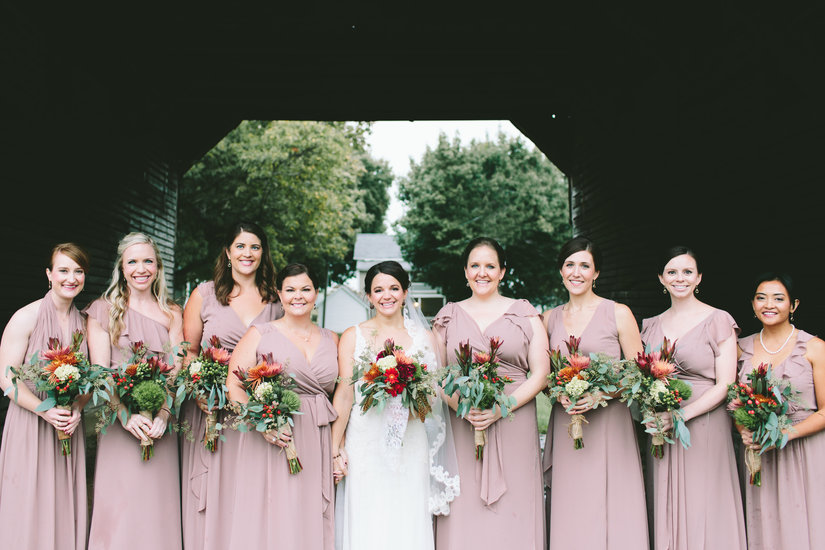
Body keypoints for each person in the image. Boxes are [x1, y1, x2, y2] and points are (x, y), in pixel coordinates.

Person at [330, 260, 459, 550]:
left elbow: (433, 397)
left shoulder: (425, 339)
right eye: (378, 290)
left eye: (393, 288)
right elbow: (344, 394)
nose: (386, 295)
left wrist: (412, 398)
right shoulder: (353, 336)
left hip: (409, 441)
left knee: (405, 515)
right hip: (364, 441)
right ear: (368, 296)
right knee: (367, 516)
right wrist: (334, 447)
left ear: (405, 293)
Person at [433, 237, 550, 550]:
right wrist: (462, 406)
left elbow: (541, 373)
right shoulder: (448, 316)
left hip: (513, 419)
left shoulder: (525, 314)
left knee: (515, 503)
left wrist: (502, 408)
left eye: (490, 266)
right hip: (463, 421)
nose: (481, 272)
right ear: (465, 272)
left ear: (502, 272)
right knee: (463, 505)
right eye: (475, 265)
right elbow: (436, 373)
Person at [218, 263, 338, 549]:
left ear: (316, 293)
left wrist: (337, 447)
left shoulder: (332, 338)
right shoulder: (260, 333)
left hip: (316, 436)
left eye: (305, 289)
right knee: (271, 513)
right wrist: (264, 425)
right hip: (272, 437)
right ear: (279, 295)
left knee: (307, 514)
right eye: (291, 290)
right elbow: (234, 386)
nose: (298, 296)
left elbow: (343, 393)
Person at [180, 221, 283, 549]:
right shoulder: (204, 294)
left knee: (252, 490)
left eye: (254, 247)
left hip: (256, 412)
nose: (247, 253)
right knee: (214, 490)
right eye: (240, 246)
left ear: (263, 253)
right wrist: (198, 390)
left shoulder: (277, 299)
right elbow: (190, 351)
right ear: (227, 252)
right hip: (211, 409)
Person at [541, 236, 648, 549]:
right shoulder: (548, 319)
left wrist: (603, 395)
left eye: (584, 265)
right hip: (567, 423)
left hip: (610, 424)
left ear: (596, 273)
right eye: (570, 265)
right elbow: (544, 374)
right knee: (573, 501)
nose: (576, 272)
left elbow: (638, 372)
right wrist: (556, 392)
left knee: (611, 501)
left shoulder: (618, 313)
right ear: (561, 271)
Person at [640, 245, 745, 550]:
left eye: (687, 272)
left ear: (699, 278)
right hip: (661, 422)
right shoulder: (649, 326)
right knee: (665, 495)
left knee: (705, 498)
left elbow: (726, 383)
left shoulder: (719, 320)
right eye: (672, 272)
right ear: (661, 278)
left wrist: (681, 416)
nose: (680, 278)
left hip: (705, 422)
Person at [85, 232, 184, 550]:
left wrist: (165, 413)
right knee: (121, 509)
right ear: (121, 267)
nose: (140, 269)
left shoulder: (172, 313)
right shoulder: (102, 310)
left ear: (157, 267)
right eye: (132, 262)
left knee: (157, 509)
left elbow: (176, 372)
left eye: (147, 261)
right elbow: (101, 374)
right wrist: (125, 415)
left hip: (160, 427)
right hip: (120, 425)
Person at [0, 243, 91, 550]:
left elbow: (89, 380)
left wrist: (77, 408)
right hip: (31, 423)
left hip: (66, 427)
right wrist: (45, 410)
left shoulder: (86, 325)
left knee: (63, 503)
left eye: (78, 271)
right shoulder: (25, 317)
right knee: (26, 503)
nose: (71, 278)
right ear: (49, 274)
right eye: (63, 270)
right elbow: (6, 379)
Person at [735, 272, 825, 549]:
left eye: (778, 298)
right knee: (765, 522)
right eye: (761, 298)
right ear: (752, 304)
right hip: (758, 453)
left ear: (793, 305)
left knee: (805, 521)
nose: (769, 305)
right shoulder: (740, 348)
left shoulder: (814, 348)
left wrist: (784, 434)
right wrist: (744, 431)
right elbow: (735, 401)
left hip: (804, 449)